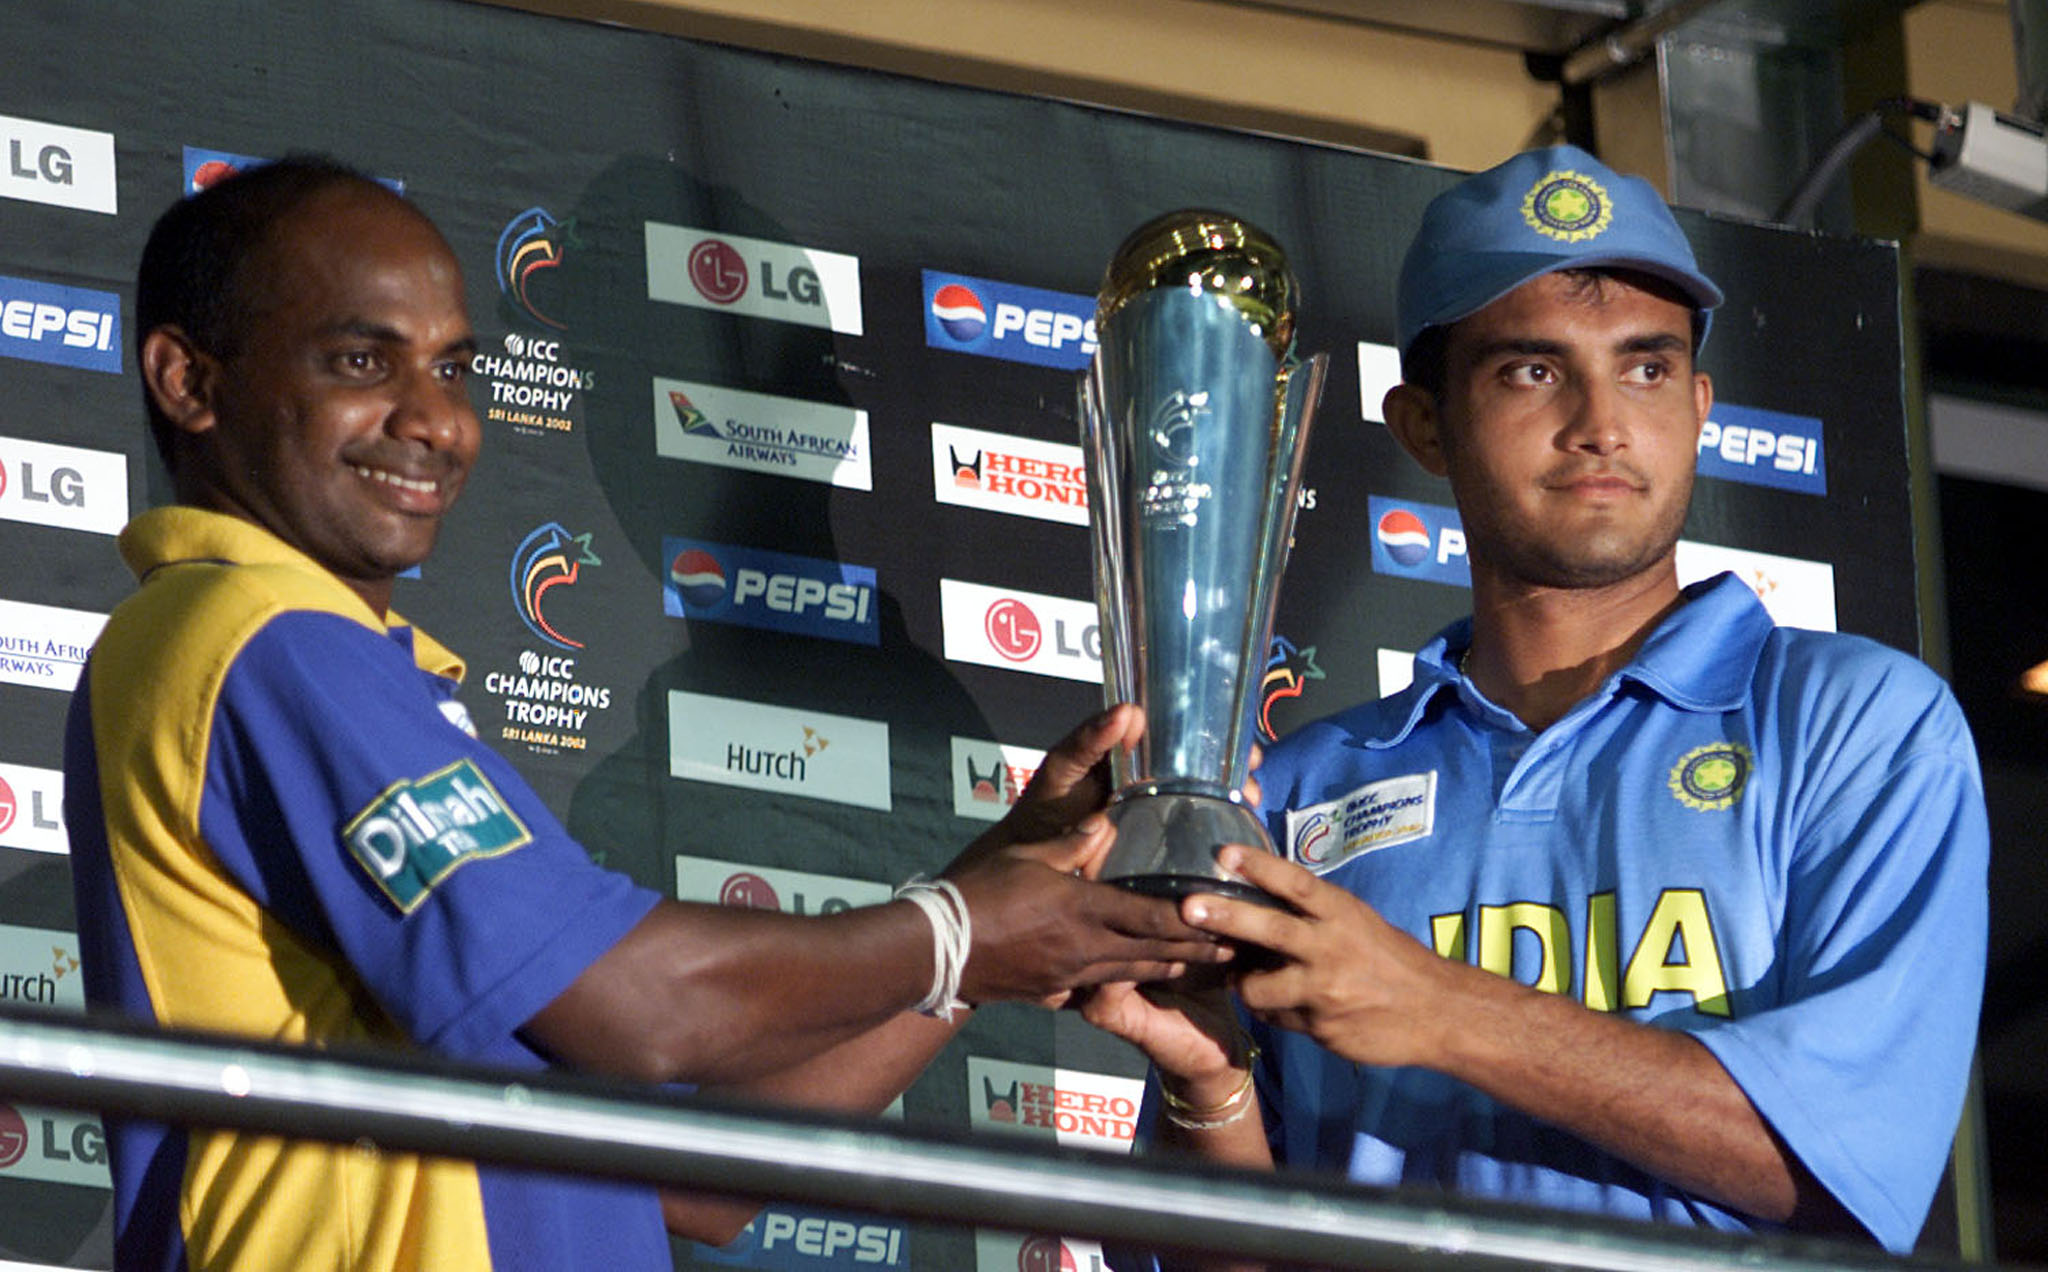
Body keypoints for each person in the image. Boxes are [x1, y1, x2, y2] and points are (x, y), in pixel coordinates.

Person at [64, 158, 1227, 1271]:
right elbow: (637, 1007)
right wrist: (965, 926)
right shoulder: (258, 636)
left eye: (455, 369)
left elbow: (704, 1173)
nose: (437, 422)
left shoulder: (350, 671)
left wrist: (989, 925)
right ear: (190, 380)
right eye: (363, 361)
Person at [1086, 145, 1988, 1255]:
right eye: (1531, 370)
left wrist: (1436, 1006)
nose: (1601, 422)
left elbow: (1842, 1166)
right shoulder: (1289, 792)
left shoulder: (1852, 722)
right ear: (1423, 423)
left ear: (1699, 405)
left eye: (1645, 369)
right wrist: (1207, 1076)